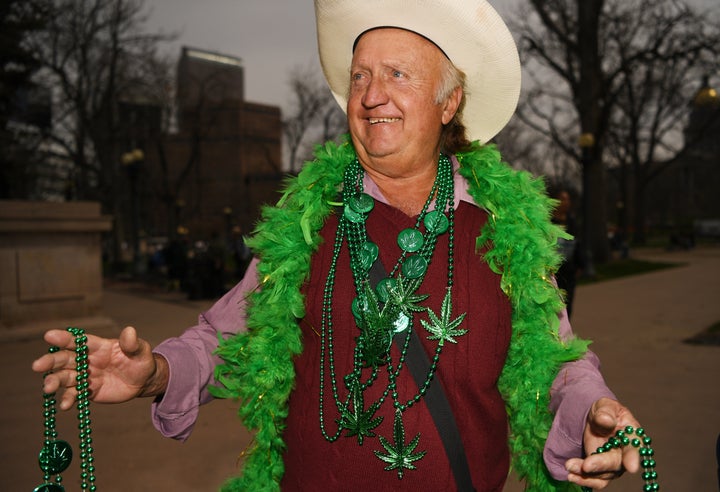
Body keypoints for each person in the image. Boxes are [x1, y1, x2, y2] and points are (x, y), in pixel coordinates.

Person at [33, 1, 645, 490]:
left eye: (398, 75)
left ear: (448, 101)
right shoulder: (305, 224)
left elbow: (560, 363)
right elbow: (223, 339)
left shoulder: (504, 230)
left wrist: (595, 410)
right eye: (361, 76)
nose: (371, 94)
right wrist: (152, 374)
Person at [550, 189, 583, 318]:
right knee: (555, 305)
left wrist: (580, 264)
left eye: (568, 199)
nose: (566, 202)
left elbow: (578, 243)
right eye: (563, 199)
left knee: (568, 306)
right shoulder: (549, 222)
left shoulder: (572, 221)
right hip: (555, 271)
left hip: (569, 270)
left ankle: (566, 335)